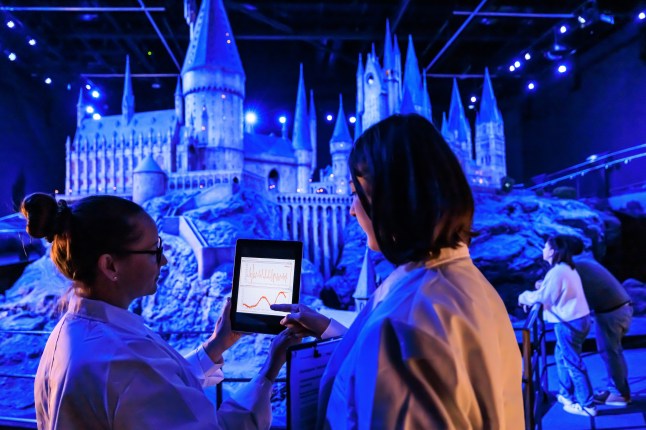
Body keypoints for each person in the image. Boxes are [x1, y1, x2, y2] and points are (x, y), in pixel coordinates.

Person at [272, 114, 524, 429]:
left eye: (356, 192)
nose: (351, 209)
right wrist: (328, 329)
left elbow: (399, 348)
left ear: (392, 197)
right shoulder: (471, 287)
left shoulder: (406, 324)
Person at [21, 193, 298, 430]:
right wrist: (271, 367)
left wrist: (217, 345)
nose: (163, 260)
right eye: (154, 250)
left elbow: (156, 389)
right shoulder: (124, 358)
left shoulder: (72, 332)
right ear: (110, 265)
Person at [518, 235, 596, 417]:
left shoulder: (558, 272)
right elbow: (551, 290)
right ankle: (566, 395)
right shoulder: (565, 268)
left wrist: (524, 296)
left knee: (572, 362)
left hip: (568, 323)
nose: (543, 250)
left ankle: (588, 405)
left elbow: (545, 297)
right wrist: (542, 286)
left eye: (545, 247)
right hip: (578, 319)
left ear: (552, 251)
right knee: (561, 357)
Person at [561, 235, 632, 407]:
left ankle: (620, 394)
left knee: (611, 353)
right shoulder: (584, 262)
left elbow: (561, 288)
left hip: (612, 312)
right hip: (616, 310)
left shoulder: (577, 266)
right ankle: (616, 389)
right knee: (612, 352)